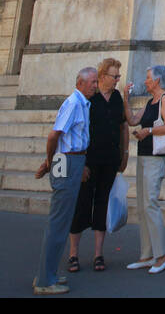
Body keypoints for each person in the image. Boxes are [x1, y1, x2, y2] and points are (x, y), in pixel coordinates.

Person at [33, 66, 98, 295]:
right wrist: (50, 162)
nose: (95, 85)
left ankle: (48, 273)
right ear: (80, 83)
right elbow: (54, 136)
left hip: (72, 161)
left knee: (61, 220)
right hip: (66, 162)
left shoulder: (83, 104)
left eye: (96, 81)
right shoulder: (73, 104)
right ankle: (44, 280)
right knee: (59, 222)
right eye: (92, 82)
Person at [68, 56, 128, 272]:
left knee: (102, 203)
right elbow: (79, 131)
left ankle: (98, 254)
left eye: (118, 76)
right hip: (89, 160)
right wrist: (80, 161)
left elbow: (123, 126)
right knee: (82, 203)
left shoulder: (117, 98)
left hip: (110, 159)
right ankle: (73, 254)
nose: (117, 80)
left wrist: (125, 152)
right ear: (103, 77)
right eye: (115, 76)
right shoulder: (89, 100)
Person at [125, 65, 165, 274]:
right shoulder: (150, 102)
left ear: (157, 81)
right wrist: (125, 98)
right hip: (144, 155)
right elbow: (133, 120)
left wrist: (148, 131)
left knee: (151, 203)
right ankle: (147, 255)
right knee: (142, 204)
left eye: (148, 78)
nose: (145, 81)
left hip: (156, 157)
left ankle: (161, 255)